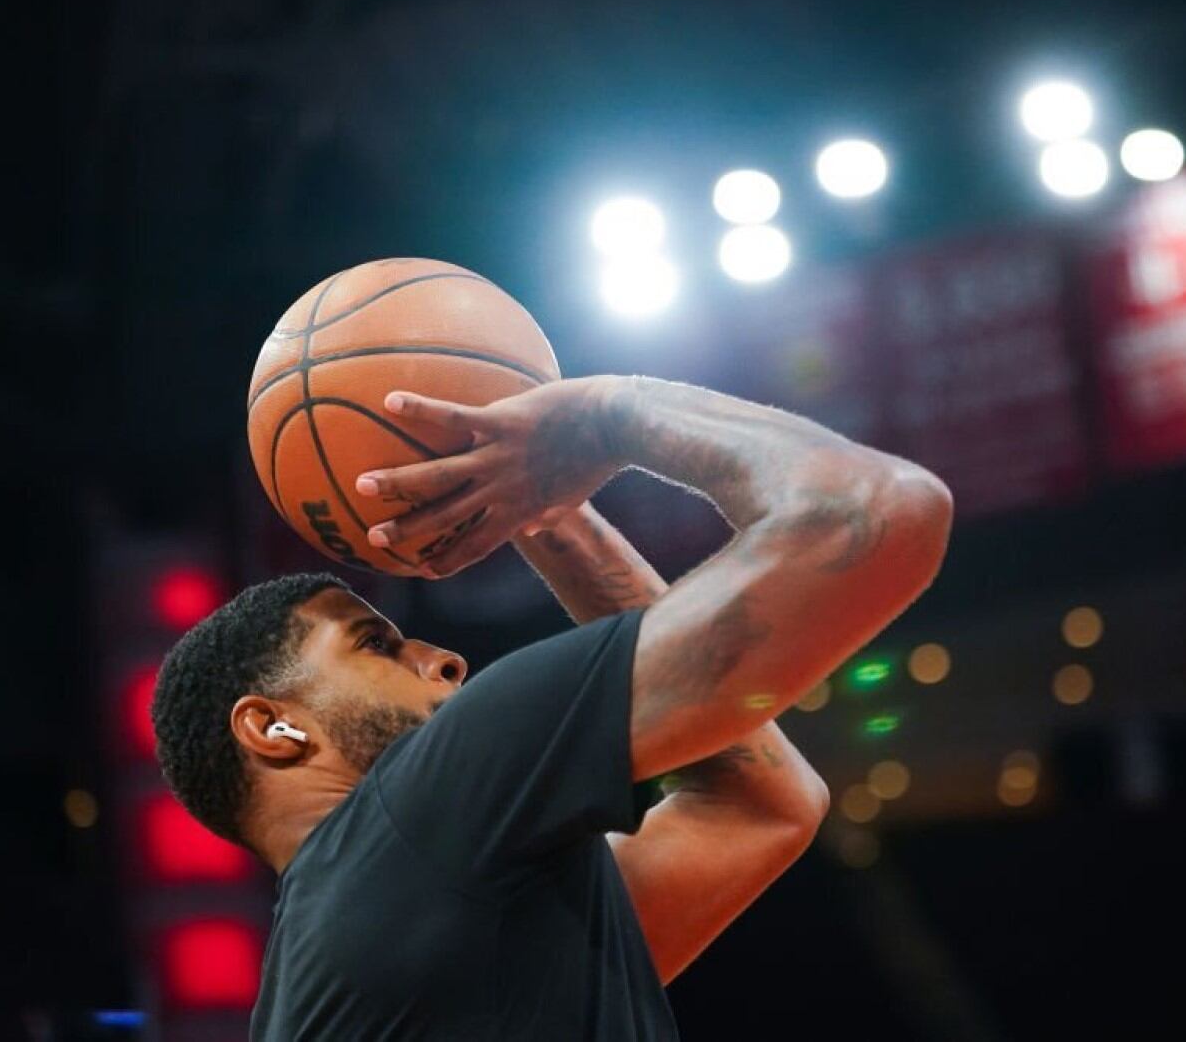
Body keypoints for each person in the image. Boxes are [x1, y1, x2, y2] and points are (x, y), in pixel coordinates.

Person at [152, 374, 953, 1039]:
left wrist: (540, 510)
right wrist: (604, 415)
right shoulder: (424, 806)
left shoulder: (355, 957)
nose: (443, 659)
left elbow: (763, 805)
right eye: (374, 643)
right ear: (274, 727)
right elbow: (878, 510)